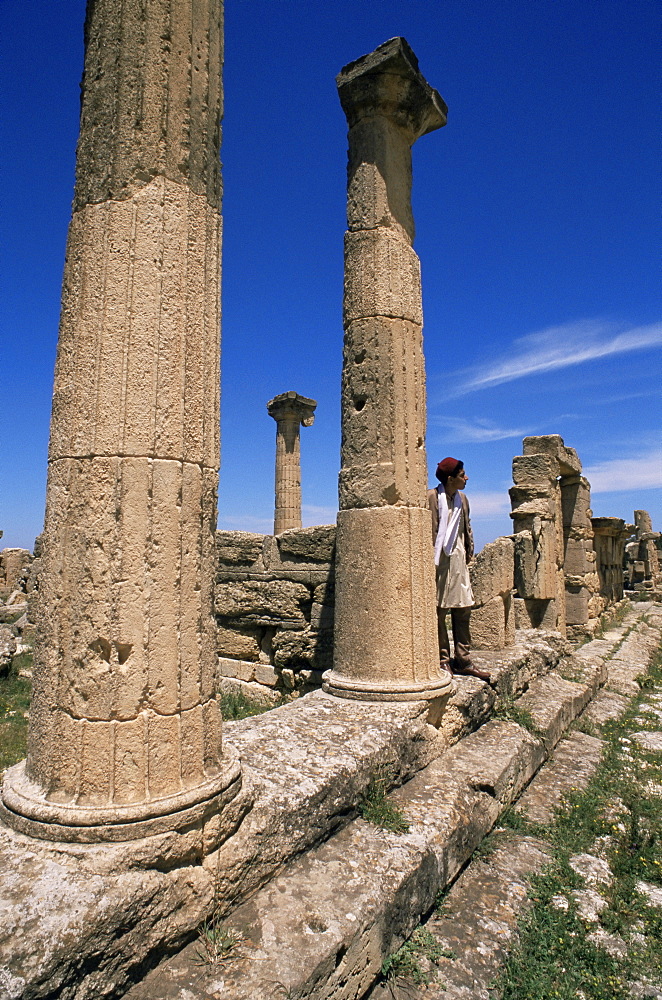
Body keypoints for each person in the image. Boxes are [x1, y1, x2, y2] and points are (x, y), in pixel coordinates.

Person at [427, 457, 490, 682]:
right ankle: (443, 660)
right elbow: (430, 530)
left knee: (463, 609)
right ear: (451, 478)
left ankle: (463, 659)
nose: (467, 478)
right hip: (439, 561)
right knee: (440, 611)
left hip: (459, 560)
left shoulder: (463, 499)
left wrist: (469, 552)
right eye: (463, 475)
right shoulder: (431, 497)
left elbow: (467, 527)